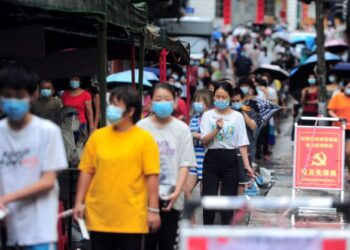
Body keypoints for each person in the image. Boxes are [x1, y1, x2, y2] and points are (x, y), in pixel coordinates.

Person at [73, 86, 160, 250]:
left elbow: (152, 176)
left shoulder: (144, 140)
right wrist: (79, 202)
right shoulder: (97, 138)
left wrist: (153, 209)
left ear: (130, 111)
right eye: (110, 104)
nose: (111, 109)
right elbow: (86, 171)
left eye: (116, 105)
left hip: (132, 217)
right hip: (99, 216)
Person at [0, 64, 68, 249]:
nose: (13, 101)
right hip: (9, 227)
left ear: (33, 96)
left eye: (19, 96)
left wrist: (6, 199)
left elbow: (47, 181)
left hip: (39, 231)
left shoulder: (47, 132)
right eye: (7, 95)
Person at [137, 84, 197, 250]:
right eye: (158, 99)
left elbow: (185, 164)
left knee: (167, 242)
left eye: (167, 99)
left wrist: (177, 192)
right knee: (146, 243)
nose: (162, 103)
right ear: (150, 102)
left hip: (172, 196)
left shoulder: (182, 129)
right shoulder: (141, 127)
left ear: (175, 102)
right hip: (144, 196)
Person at [200, 81, 254, 225]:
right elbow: (204, 141)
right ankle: (207, 233)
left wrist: (247, 165)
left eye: (224, 97)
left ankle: (226, 236)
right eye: (217, 97)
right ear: (213, 97)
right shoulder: (207, 115)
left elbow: (242, 142)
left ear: (230, 98)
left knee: (228, 201)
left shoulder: (237, 116)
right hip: (211, 159)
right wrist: (216, 129)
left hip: (230, 159)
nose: (220, 100)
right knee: (208, 199)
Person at [184, 89, 212, 199]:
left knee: (204, 195)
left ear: (207, 103)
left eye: (199, 101)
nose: (196, 104)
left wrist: (195, 135)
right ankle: (191, 217)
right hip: (194, 158)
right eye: (195, 101)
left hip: (206, 158)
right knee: (186, 189)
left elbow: (211, 137)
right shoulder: (194, 118)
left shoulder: (210, 118)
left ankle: (207, 216)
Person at [232, 87, 257, 194]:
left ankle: (239, 206)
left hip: (245, 150)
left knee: (242, 181)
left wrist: (242, 112)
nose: (235, 103)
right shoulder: (228, 111)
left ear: (243, 99)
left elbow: (252, 126)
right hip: (231, 149)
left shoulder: (249, 110)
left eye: (238, 101)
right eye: (233, 101)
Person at [328, 80, 350, 180]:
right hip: (338, 128)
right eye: (349, 87)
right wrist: (337, 118)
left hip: (349, 129)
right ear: (344, 87)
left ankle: (348, 171)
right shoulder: (337, 97)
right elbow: (330, 110)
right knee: (337, 152)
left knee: (348, 152)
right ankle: (337, 171)